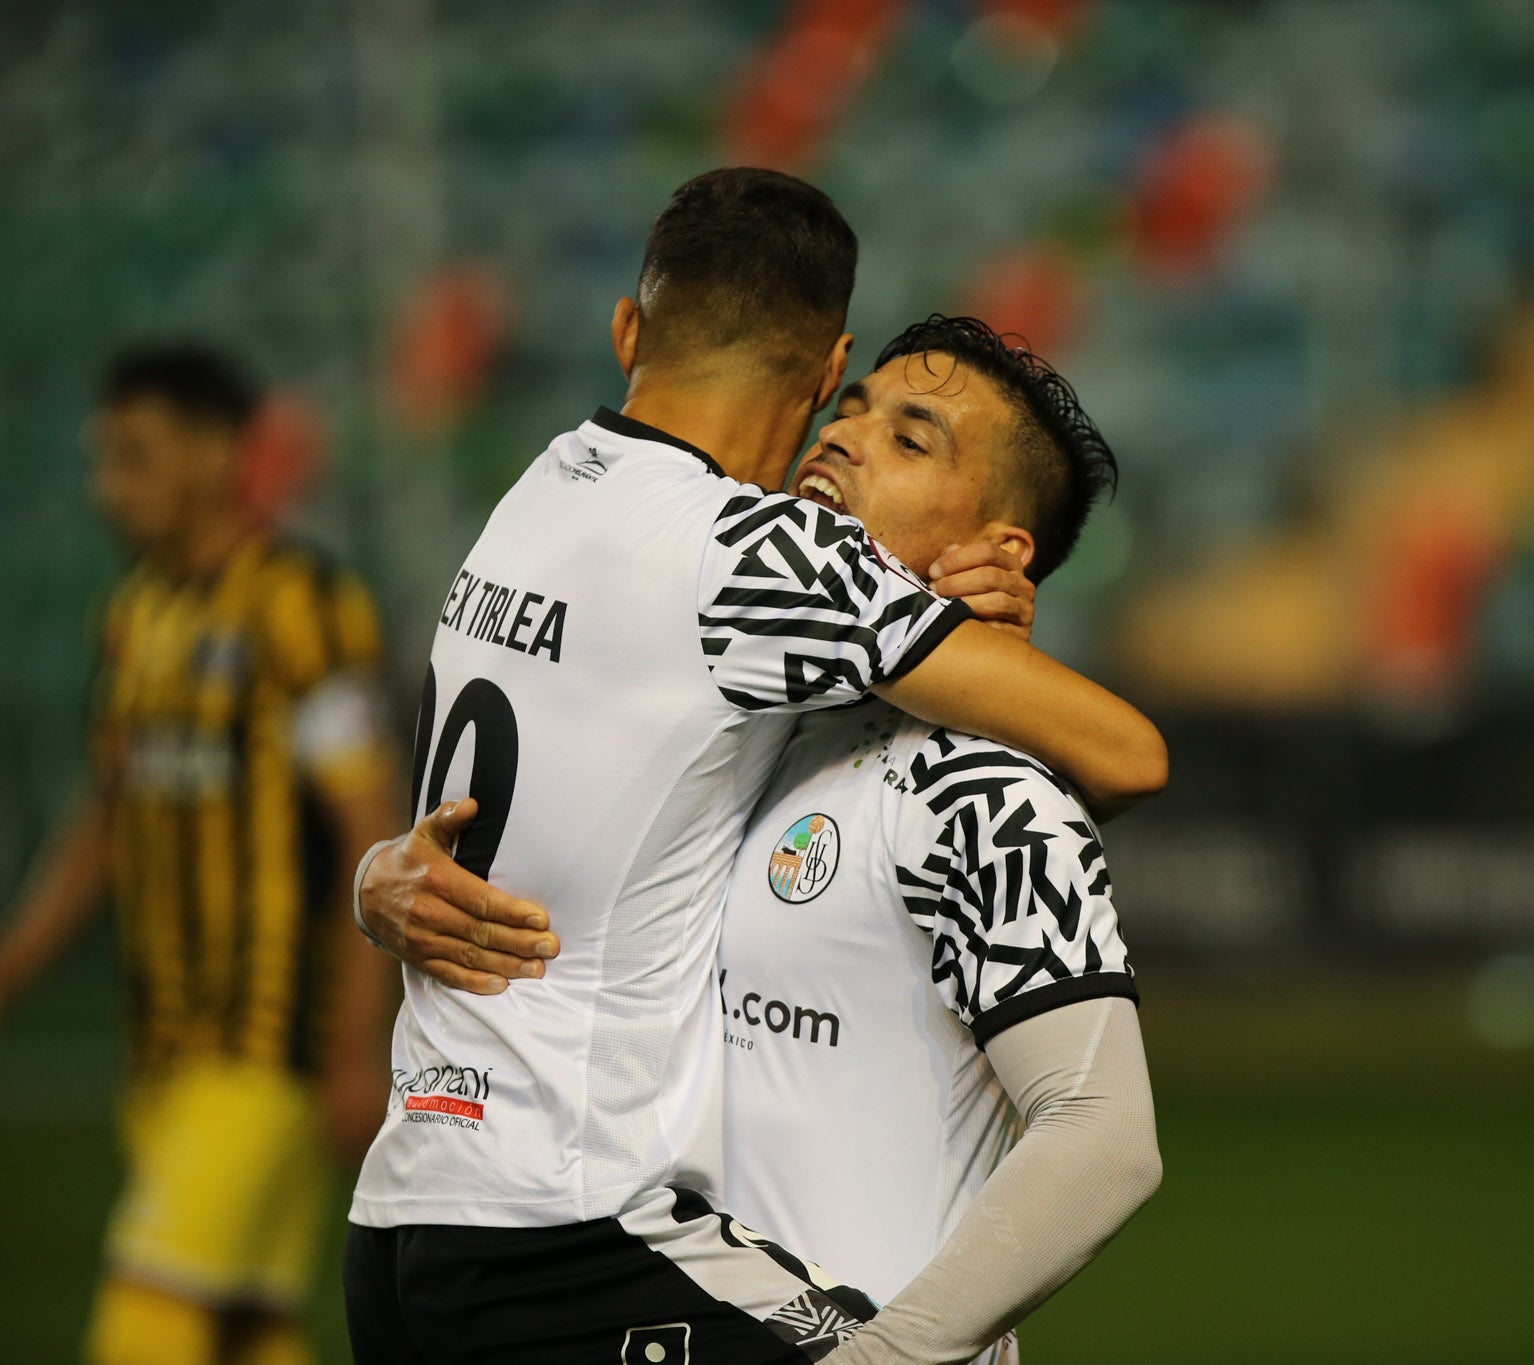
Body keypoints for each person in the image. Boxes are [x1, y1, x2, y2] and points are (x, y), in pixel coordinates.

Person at [342, 170, 1166, 1364]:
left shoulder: (547, 494)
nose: (843, 437)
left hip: (446, 1222)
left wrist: (383, 875)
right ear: (822, 370)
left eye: (909, 436)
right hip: (574, 1239)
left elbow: (1102, 1128)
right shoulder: (759, 594)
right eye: (860, 407)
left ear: (628, 331)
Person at [0, 343, 401, 1365]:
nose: (108, 488)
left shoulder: (298, 606)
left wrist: (360, 1037)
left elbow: (371, 823)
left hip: (266, 1044)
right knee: (244, 1336)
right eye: (104, 460)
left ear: (221, 453)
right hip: (162, 1045)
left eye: (134, 457)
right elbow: (107, 820)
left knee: (145, 1331)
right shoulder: (134, 616)